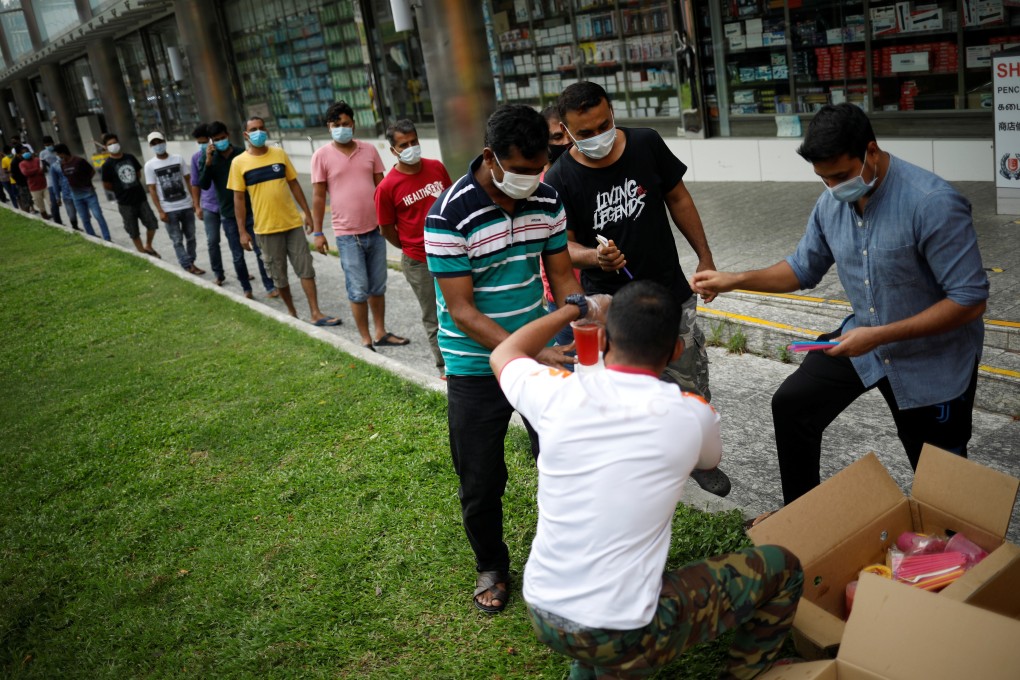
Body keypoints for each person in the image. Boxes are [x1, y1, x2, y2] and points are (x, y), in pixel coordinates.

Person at [489, 280, 803, 680]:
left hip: (544, 610)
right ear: (675, 350)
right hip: (620, 630)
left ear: (602, 339)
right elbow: (710, 459)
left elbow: (503, 353)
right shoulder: (691, 414)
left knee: (597, 642)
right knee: (782, 567)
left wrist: (576, 309)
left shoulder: (557, 394)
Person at [692, 104, 989, 506]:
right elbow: (802, 268)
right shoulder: (830, 202)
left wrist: (877, 336)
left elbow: (969, 301)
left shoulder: (932, 202)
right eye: (823, 178)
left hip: (930, 361)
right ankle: (804, 521)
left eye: (840, 176)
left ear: (870, 150)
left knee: (943, 485)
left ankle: (959, 556)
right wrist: (734, 280)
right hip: (864, 341)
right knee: (793, 405)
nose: (832, 187)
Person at [425, 104, 592, 614]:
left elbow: (562, 276)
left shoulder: (547, 197)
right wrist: (532, 348)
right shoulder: (448, 215)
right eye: (519, 170)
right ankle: (492, 565)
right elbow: (463, 312)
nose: (529, 180)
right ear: (489, 157)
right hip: (476, 365)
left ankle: (569, 558)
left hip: (543, 354)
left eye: (537, 168)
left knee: (562, 460)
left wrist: (578, 321)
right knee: (480, 478)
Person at [544, 81, 731, 498]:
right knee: (621, 393)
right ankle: (642, 464)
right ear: (567, 131)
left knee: (690, 381)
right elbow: (561, 246)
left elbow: (679, 199)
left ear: (613, 114)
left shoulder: (646, 144)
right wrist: (595, 258)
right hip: (612, 307)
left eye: (603, 124)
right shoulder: (559, 178)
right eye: (585, 133)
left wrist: (705, 256)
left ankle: (701, 459)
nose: (597, 137)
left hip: (669, 293)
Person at [227, 116, 340, 325]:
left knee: (306, 268)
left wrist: (308, 214)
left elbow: (294, 184)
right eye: (253, 130)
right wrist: (242, 231)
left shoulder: (279, 154)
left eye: (261, 128)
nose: (258, 132)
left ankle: (316, 312)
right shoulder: (238, 163)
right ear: (246, 135)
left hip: (292, 224)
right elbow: (239, 199)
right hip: (265, 229)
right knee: (278, 275)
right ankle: (292, 313)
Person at [312, 101, 406, 350]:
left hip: (376, 230)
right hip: (346, 235)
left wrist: (393, 221)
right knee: (358, 289)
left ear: (353, 124)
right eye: (336, 125)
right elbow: (319, 196)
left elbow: (383, 187)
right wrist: (318, 231)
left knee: (377, 286)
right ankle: (365, 339)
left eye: (346, 124)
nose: (342, 128)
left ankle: (380, 332)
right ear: (329, 127)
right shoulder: (321, 156)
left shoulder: (369, 150)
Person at [374, 119, 452, 375]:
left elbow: (451, 203)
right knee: (434, 315)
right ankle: (444, 367)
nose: (411, 148)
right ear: (393, 150)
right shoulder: (387, 187)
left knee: (462, 306)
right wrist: (410, 247)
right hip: (419, 261)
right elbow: (386, 228)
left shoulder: (436, 168)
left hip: (450, 252)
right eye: (404, 145)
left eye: (414, 142)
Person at [198, 120, 277, 300]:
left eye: (223, 138)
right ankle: (246, 288)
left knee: (260, 252)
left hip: (250, 210)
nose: (221, 141)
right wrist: (208, 162)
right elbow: (203, 184)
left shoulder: (242, 153)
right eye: (216, 139)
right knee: (237, 255)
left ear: (228, 135)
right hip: (228, 214)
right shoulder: (209, 158)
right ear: (211, 141)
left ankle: (270, 285)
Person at [144, 131, 204, 275]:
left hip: (186, 205)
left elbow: (189, 181)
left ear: (164, 141)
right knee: (177, 240)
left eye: (159, 141)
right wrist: (160, 210)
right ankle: (187, 265)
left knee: (191, 237)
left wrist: (196, 203)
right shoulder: (150, 165)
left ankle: (191, 262)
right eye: (154, 143)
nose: (157, 145)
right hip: (168, 209)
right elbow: (152, 189)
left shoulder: (178, 158)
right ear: (150, 146)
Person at [100, 132, 161, 257]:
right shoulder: (107, 165)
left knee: (152, 223)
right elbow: (107, 185)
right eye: (110, 144)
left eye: (114, 143)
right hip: (125, 202)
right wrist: (120, 190)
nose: (113, 146)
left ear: (119, 143)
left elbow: (138, 174)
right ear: (106, 147)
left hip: (140, 198)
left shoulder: (130, 157)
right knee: (133, 230)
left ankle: (148, 245)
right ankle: (142, 253)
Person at [190, 124, 229, 285]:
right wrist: (197, 206)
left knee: (235, 242)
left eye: (205, 141)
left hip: (226, 204)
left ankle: (243, 273)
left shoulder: (222, 155)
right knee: (212, 241)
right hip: (209, 206)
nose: (202, 145)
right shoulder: (196, 158)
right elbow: (195, 183)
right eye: (199, 142)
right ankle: (218, 274)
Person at [56, 144, 111, 241]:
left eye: (59, 154)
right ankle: (93, 238)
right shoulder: (62, 164)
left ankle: (107, 238)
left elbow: (92, 171)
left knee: (98, 215)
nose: (58, 156)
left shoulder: (79, 161)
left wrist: (86, 182)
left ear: (63, 152)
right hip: (76, 196)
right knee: (85, 219)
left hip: (89, 193)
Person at [44, 140, 79, 230]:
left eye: (58, 154)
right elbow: (55, 183)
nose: (58, 156)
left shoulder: (76, 161)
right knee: (71, 215)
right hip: (66, 193)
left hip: (79, 191)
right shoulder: (55, 166)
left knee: (84, 214)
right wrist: (57, 197)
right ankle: (75, 227)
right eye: (57, 154)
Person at [19, 147, 50, 219]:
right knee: (41, 207)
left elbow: (42, 170)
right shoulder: (22, 164)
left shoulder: (37, 160)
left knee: (51, 203)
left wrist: (32, 171)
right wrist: (37, 169)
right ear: (21, 155)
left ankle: (57, 218)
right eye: (23, 152)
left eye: (26, 151)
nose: (25, 153)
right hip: (34, 188)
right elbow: (25, 173)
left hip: (44, 186)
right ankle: (46, 219)